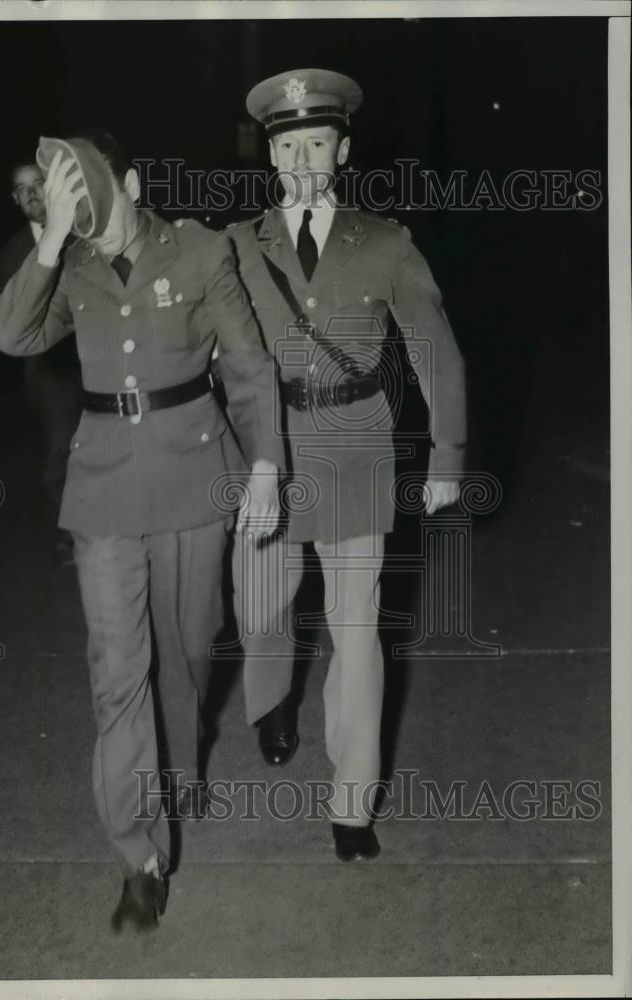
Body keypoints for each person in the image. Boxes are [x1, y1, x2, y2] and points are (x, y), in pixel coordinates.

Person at [0, 133, 282, 931]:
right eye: (67, 208)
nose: (89, 221)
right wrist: (50, 237)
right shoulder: (66, 262)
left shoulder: (197, 248)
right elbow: (11, 337)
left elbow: (249, 364)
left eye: (93, 201)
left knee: (188, 650)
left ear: (131, 181)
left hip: (193, 474)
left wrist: (263, 466)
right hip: (105, 487)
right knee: (118, 671)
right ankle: (140, 858)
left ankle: (180, 767)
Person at [227, 69, 466, 861]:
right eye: (286, 144)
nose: (301, 158)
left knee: (356, 632)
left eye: (316, 142)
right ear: (270, 156)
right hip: (265, 448)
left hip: (356, 445)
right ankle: (271, 698)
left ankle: (351, 804)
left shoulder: (385, 241)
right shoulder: (235, 243)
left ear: (342, 150)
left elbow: (433, 347)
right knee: (261, 608)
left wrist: (446, 454)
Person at [0, 159, 84, 558]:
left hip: (100, 355)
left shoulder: (87, 234)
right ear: (15, 200)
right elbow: (6, 324)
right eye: (21, 189)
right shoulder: (10, 254)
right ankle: (71, 530)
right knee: (61, 452)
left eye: (38, 184)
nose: (31, 193)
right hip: (51, 370)